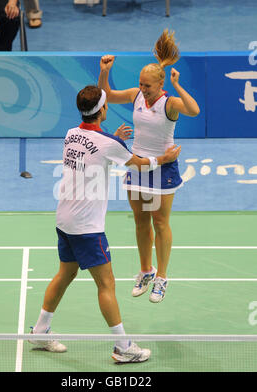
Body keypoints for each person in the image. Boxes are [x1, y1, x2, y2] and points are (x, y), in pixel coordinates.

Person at [29, 85, 181, 363]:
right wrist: (165, 159)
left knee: (65, 274)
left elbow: (96, 147)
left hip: (64, 219)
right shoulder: (110, 144)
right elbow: (138, 164)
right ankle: (123, 347)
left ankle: (40, 330)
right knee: (106, 285)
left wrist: (115, 139)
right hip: (87, 226)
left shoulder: (71, 134)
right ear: (103, 109)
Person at [98, 29, 200, 304]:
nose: (143, 89)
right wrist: (105, 71)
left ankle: (162, 277)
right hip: (138, 164)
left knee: (160, 221)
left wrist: (178, 86)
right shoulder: (135, 96)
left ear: (160, 83)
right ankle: (146, 270)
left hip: (164, 167)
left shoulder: (170, 103)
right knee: (141, 220)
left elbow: (194, 110)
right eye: (141, 84)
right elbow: (106, 94)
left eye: (148, 86)